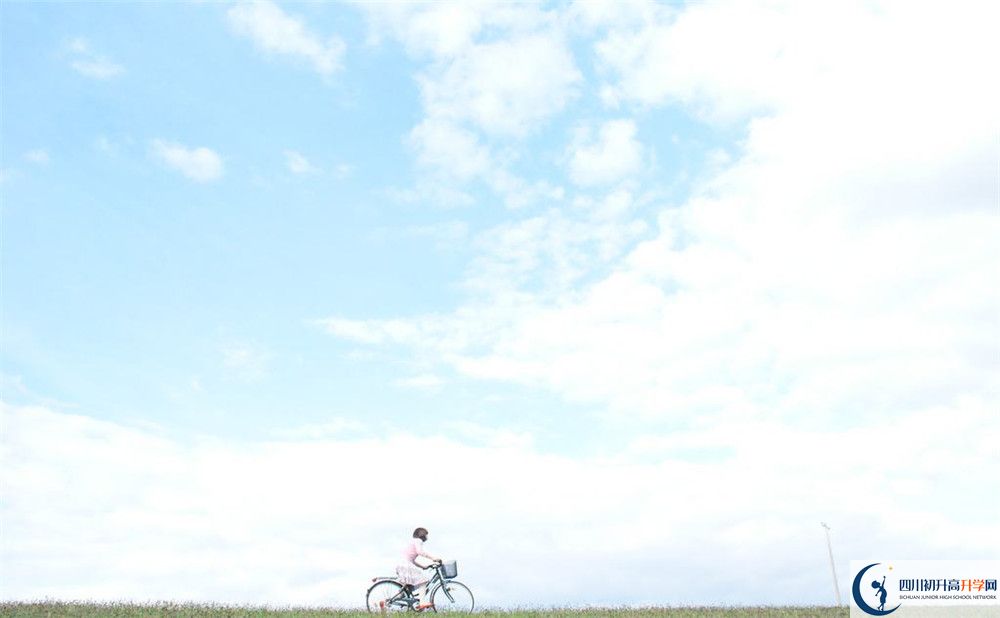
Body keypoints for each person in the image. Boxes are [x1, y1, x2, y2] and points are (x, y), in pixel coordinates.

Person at [396, 527, 441, 610]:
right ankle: (422, 602)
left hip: (402, 564)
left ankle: (388, 602)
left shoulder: (413, 541)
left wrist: (423, 567)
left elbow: (412, 560)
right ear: (422, 535)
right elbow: (420, 552)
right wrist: (433, 558)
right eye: (426, 535)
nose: (427, 537)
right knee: (423, 580)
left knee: (406, 587)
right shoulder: (418, 541)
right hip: (405, 565)